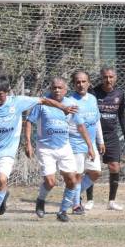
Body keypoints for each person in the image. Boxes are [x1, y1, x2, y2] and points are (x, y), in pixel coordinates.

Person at [0, 74, 77, 230]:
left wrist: (62, 107)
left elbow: (43, 100)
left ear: (7, 92)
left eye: (0, 94)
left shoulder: (17, 102)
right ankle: (2, 196)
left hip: (7, 153)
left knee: (3, 179)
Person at [25, 77, 95, 222]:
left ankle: (62, 211)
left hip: (64, 147)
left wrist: (90, 146)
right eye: (54, 87)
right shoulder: (42, 103)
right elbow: (29, 122)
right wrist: (28, 143)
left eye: (60, 87)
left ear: (66, 89)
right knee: (50, 182)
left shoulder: (71, 104)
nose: (57, 90)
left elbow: (81, 126)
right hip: (45, 148)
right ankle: (40, 200)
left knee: (72, 180)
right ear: (50, 88)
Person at [88, 66, 125, 211]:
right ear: (101, 78)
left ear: (115, 78)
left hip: (111, 136)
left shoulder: (119, 94)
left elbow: (122, 116)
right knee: (92, 170)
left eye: (111, 77)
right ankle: (89, 200)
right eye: (105, 77)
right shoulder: (93, 93)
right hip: (94, 136)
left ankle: (111, 201)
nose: (108, 80)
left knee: (115, 167)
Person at [68, 70, 105, 215]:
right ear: (73, 84)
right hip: (75, 144)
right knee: (77, 175)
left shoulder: (92, 99)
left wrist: (100, 141)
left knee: (95, 173)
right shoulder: (70, 101)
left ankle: (72, 195)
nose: (81, 84)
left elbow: (96, 121)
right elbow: (69, 124)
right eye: (77, 82)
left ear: (89, 83)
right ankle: (76, 205)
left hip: (91, 145)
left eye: (84, 81)